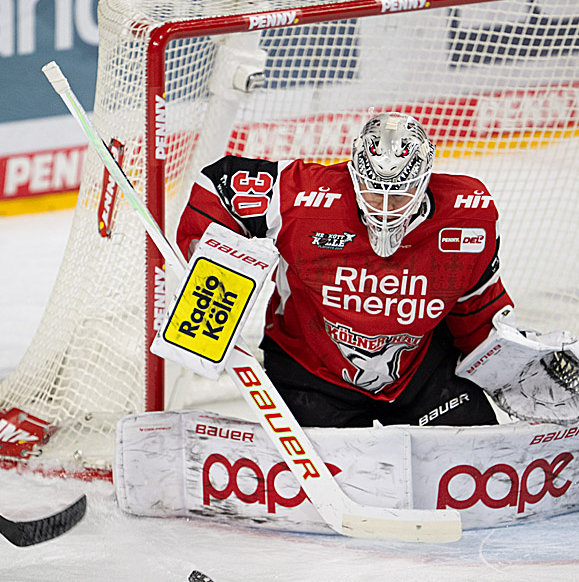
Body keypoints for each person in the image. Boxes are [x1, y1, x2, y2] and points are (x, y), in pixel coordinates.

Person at [175, 112, 513, 429]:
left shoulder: (469, 214)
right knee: (315, 485)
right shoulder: (307, 198)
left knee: (479, 464)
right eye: (372, 190)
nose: (384, 208)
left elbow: (477, 308)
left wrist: (511, 368)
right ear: (353, 175)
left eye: (399, 195)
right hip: (310, 373)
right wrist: (215, 280)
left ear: (425, 182)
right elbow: (218, 186)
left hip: (423, 374)